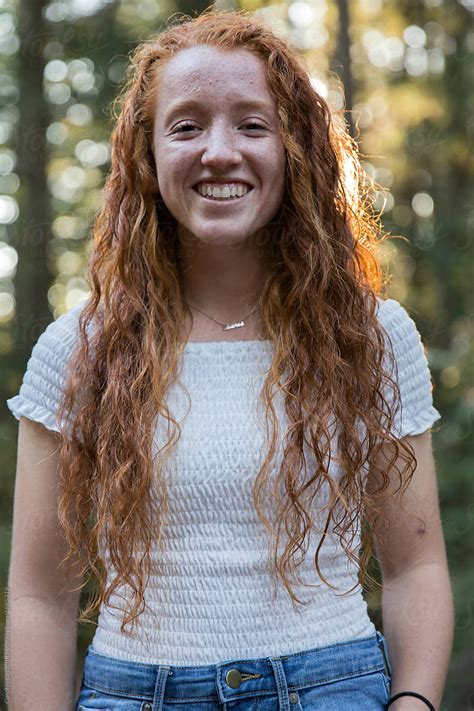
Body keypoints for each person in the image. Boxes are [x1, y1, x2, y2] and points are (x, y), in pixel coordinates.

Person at [5, 9, 453, 711]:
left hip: (332, 687)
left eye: (252, 124)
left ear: (295, 149)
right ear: (146, 158)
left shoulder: (371, 336)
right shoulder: (76, 351)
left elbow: (416, 564)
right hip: (135, 693)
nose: (220, 151)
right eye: (186, 126)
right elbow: (39, 597)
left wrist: (415, 702)